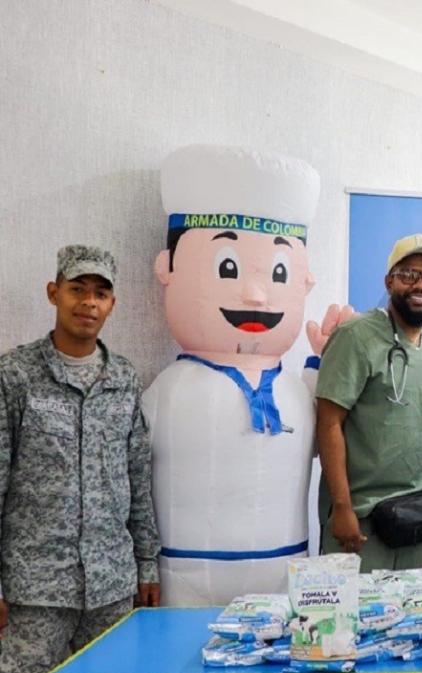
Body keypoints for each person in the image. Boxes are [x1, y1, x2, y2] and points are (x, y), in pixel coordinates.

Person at [145, 144, 350, 605]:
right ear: (168, 269)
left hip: (284, 569)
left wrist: (326, 365)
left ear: (304, 280)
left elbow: (329, 440)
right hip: (186, 573)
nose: (256, 293)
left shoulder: (296, 388)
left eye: (278, 272)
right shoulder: (169, 391)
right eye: (229, 267)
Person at [0, 246, 160, 673]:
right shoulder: (15, 375)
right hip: (35, 587)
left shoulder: (123, 378)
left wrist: (147, 563)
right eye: (77, 290)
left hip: (111, 582)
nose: (88, 302)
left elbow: (137, 476)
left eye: (101, 293)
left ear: (112, 305)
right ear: (54, 293)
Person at [316, 233, 422, 572]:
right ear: (389, 282)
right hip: (361, 522)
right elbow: (329, 423)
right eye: (408, 275)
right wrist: (342, 507)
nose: (420, 285)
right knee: (356, 620)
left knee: (416, 620)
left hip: (418, 518)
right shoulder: (355, 337)